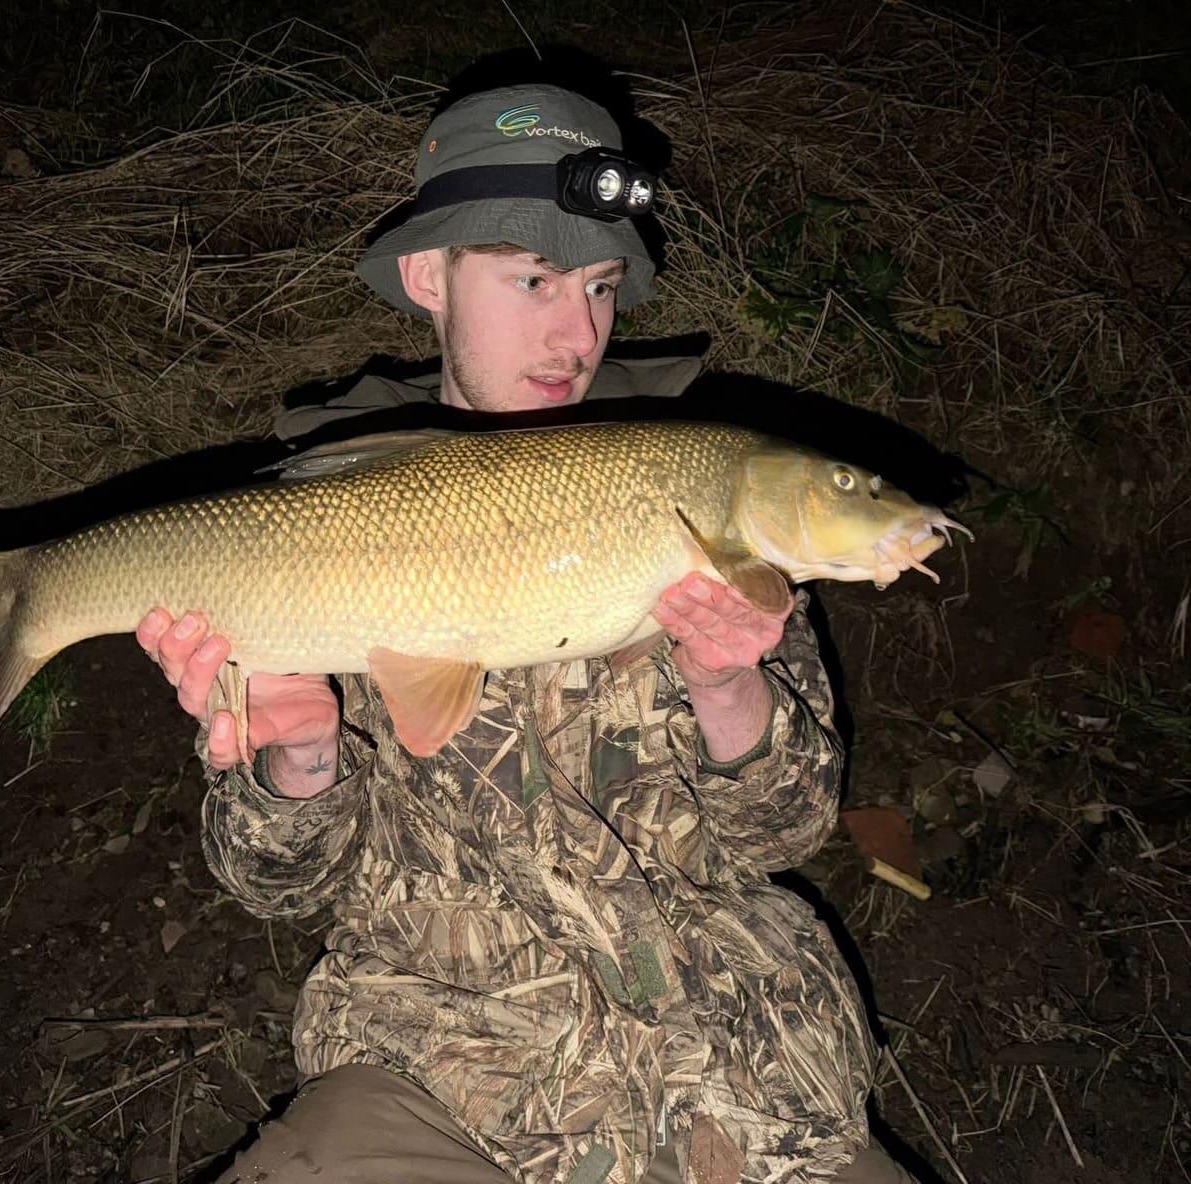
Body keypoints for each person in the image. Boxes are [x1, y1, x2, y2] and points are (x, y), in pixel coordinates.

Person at [136, 82, 918, 1184]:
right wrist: (301, 752)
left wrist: (730, 689)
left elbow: (785, 830)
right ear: (428, 277)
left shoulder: (709, 493)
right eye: (534, 280)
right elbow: (277, 883)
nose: (577, 331)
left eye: (599, 286)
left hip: (733, 1074)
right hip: (434, 1071)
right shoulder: (317, 525)